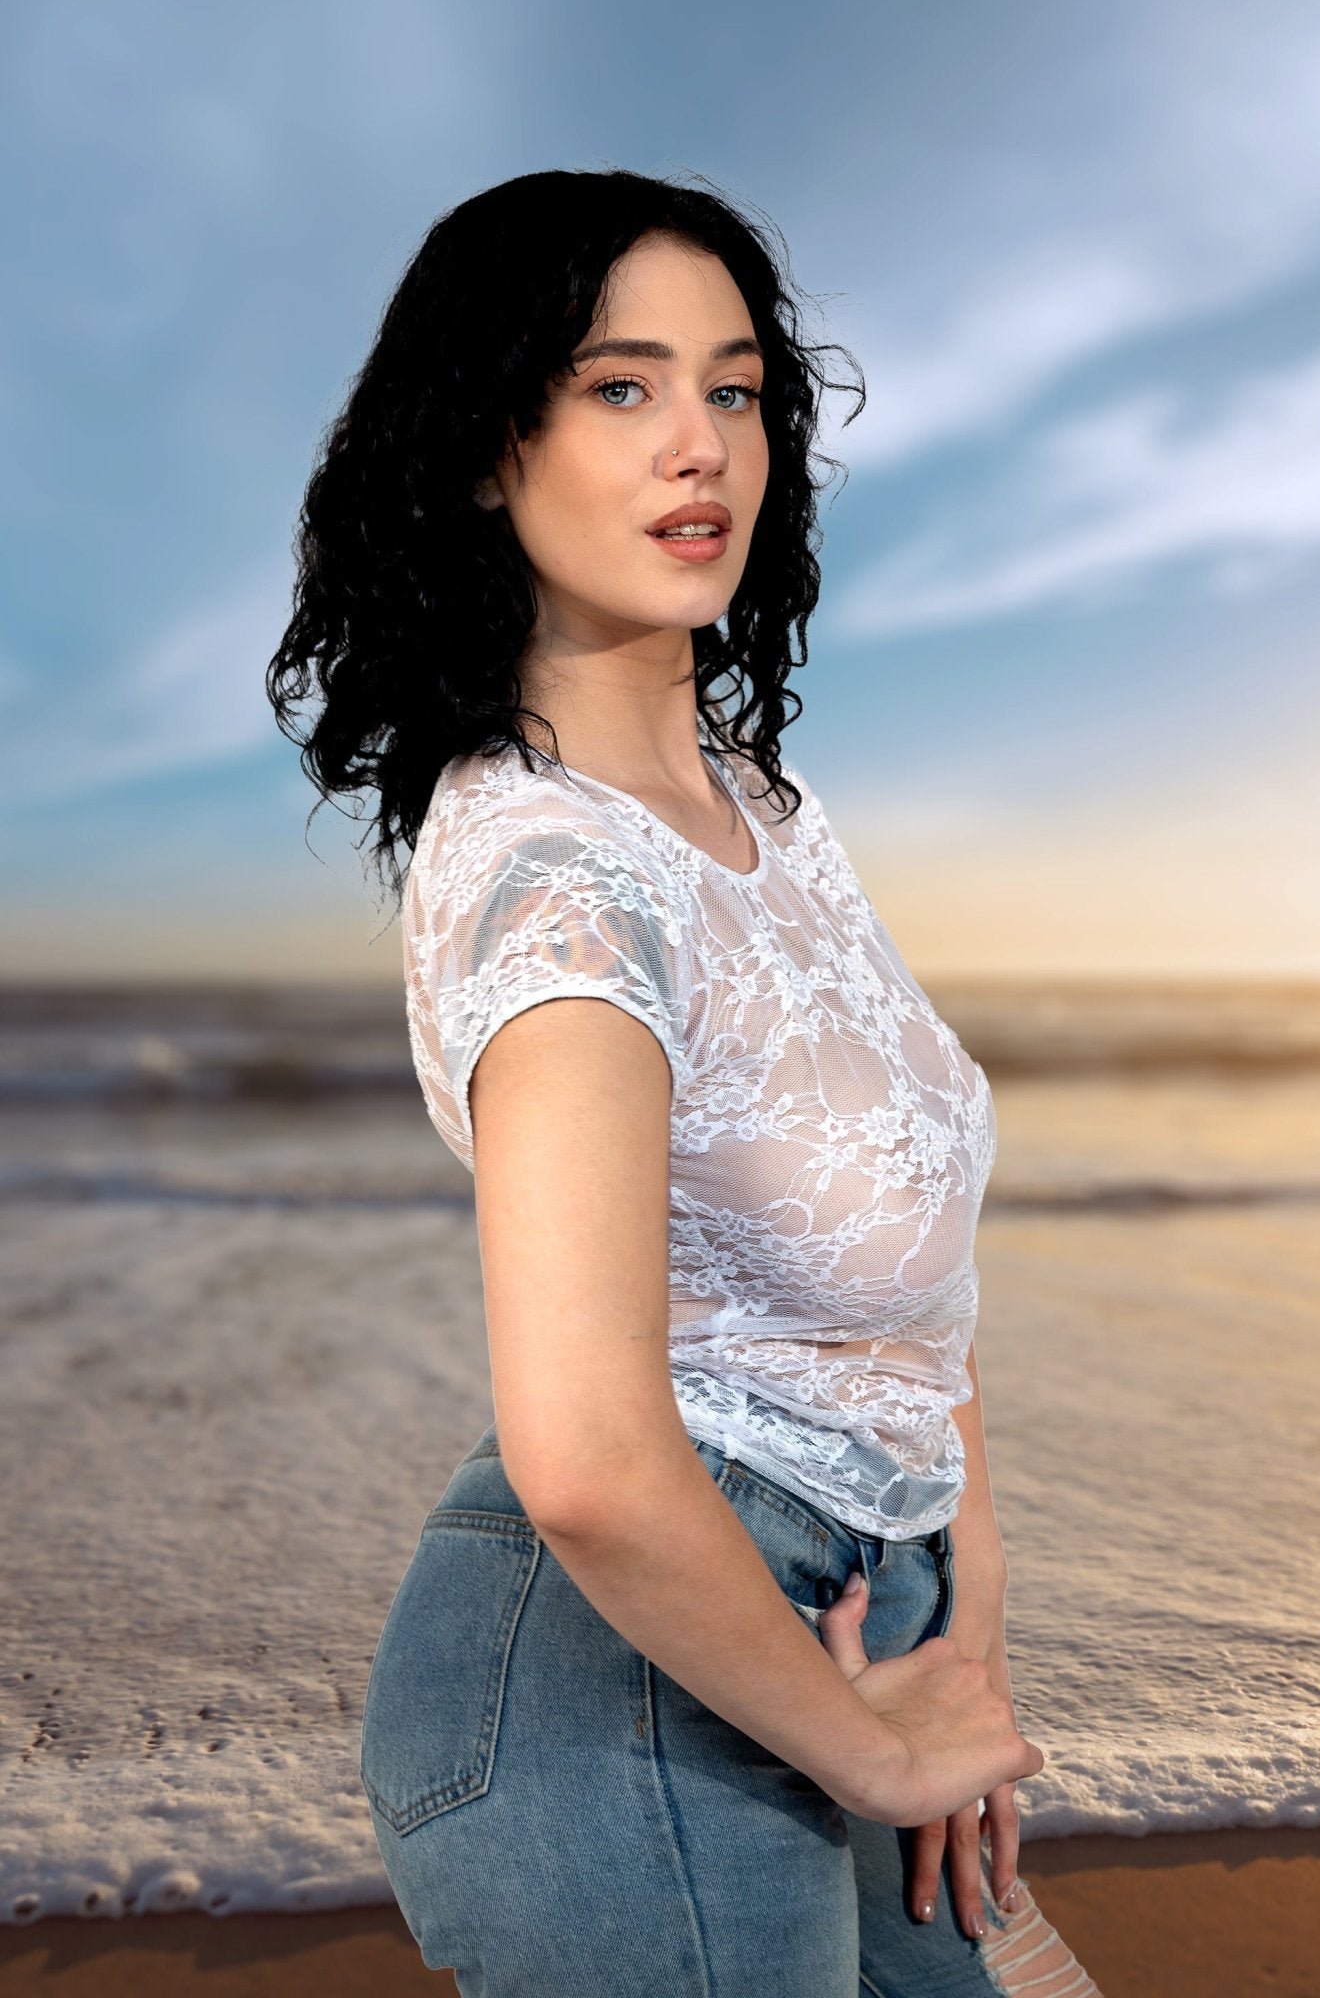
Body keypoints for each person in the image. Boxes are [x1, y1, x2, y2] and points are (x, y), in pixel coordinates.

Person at [267, 167, 1102, 1998]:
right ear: (482, 449)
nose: (697, 444)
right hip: (617, 1700)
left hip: (850, 1626)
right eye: (619, 386)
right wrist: (873, 1748)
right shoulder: (559, 879)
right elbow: (582, 1458)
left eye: (733, 389)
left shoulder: (764, 813)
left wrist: (964, 1629)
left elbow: (909, 1299)